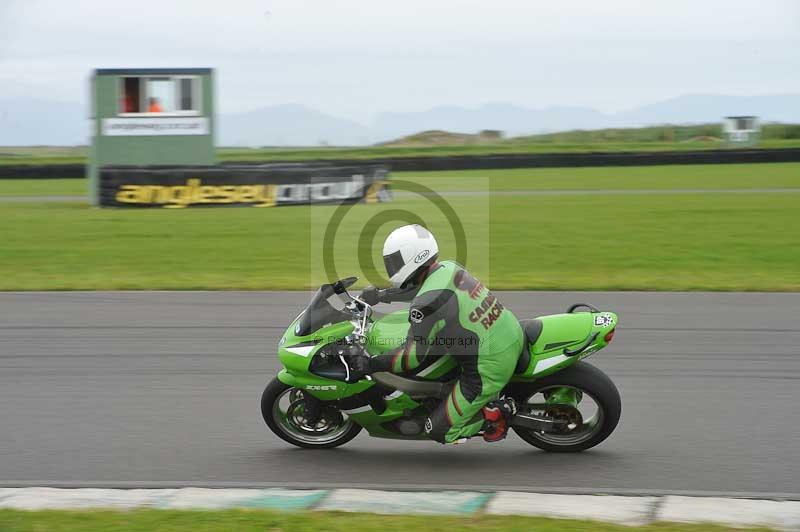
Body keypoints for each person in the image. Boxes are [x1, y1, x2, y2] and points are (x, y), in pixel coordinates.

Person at [351, 224, 525, 444]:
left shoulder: (425, 304)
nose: (391, 266)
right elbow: (424, 291)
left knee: (438, 430)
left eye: (395, 261)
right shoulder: (449, 267)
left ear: (412, 257)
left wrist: (371, 364)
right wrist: (382, 295)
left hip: (489, 366)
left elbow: (413, 357)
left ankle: (497, 413)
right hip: (508, 331)